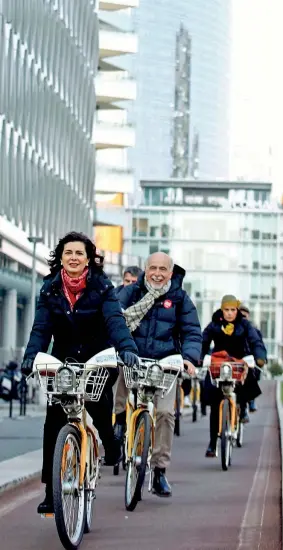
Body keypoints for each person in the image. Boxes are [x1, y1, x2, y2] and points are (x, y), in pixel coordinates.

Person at [21, 231, 139, 514]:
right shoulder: (49, 289)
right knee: (53, 422)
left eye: (79, 253)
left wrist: (126, 348)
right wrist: (30, 357)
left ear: (88, 259)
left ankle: (111, 443)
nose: (74, 258)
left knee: (99, 404)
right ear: (61, 257)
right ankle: (52, 493)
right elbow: (41, 329)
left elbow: (114, 319)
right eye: (69, 253)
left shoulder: (102, 286)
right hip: (64, 360)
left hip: (98, 356)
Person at [114, 252, 202, 497]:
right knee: (117, 369)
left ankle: (160, 471)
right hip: (133, 356)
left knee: (165, 412)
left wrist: (189, 358)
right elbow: (113, 316)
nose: (157, 273)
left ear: (170, 273)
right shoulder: (131, 292)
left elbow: (192, 331)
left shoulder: (180, 299)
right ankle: (119, 421)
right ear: (146, 269)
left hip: (164, 362)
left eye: (163, 269)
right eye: (153, 268)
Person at [201, 295, 266, 457]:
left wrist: (259, 357)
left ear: (237, 310)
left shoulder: (245, 325)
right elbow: (203, 341)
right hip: (219, 364)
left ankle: (242, 409)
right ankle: (212, 442)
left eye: (232, 310)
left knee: (244, 390)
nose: (230, 313)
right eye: (226, 310)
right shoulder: (214, 324)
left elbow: (255, 341)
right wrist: (198, 356)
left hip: (238, 363)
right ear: (222, 310)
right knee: (215, 404)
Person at [239, 303, 267, 412]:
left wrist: (261, 358)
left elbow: (259, 345)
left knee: (252, 374)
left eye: (244, 316)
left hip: (250, 360)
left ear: (248, 317)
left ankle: (250, 402)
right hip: (234, 360)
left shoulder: (254, 331)